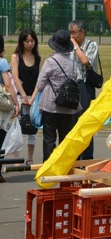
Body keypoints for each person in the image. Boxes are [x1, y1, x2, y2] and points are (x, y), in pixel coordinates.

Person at [32, 30, 80, 162]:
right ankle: (63, 166)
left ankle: (48, 166)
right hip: (68, 106)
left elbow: (40, 84)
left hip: (50, 106)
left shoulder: (50, 62)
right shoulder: (73, 63)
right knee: (65, 139)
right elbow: (76, 78)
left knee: (49, 139)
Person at [10, 29, 41, 165]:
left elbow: (40, 80)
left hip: (33, 97)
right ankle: (16, 159)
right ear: (22, 42)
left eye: (32, 41)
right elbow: (15, 77)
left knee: (32, 130)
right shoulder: (16, 57)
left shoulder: (38, 58)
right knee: (16, 129)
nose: (29, 44)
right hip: (19, 97)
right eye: (27, 41)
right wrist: (23, 96)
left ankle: (30, 158)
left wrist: (32, 98)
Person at [69, 19, 98, 160]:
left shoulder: (92, 45)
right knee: (72, 123)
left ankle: (86, 159)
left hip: (86, 86)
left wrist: (75, 46)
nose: (72, 36)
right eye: (70, 33)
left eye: (74, 32)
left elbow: (86, 61)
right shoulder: (69, 46)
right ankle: (74, 158)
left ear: (82, 32)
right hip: (72, 86)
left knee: (85, 123)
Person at [0, 34, 19, 182]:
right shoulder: (2, 62)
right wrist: (15, 102)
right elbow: (7, 84)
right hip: (1, 105)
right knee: (1, 138)